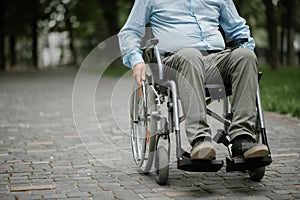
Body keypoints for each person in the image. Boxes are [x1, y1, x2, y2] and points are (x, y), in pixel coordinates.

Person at [118, 0, 268, 160]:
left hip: (216, 59)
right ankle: (200, 140)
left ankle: (242, 139)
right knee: (191, 55)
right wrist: (137, 60)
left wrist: (247, 49)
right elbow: (129, 32)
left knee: (245, 56)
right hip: (175, 61)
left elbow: (239, 30)